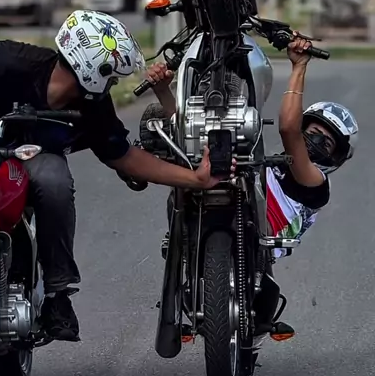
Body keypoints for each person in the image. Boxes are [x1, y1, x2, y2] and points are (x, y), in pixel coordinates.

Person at [0, 10, 233, 348]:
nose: (113, 85)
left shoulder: (92, 107)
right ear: (94, 70)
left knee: (54, 180)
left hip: (23, 161)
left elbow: (126, 157)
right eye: (112, 77)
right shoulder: (6, 61)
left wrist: (196, 179)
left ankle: (58, 295)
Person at [145, 33, 358, 325]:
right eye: (313, 132)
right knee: (196, 160)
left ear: (334, 157)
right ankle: (181, 240)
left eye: (327, 142)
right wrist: (162, 90)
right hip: (216, 219)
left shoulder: (316, 185)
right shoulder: (258, 164)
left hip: (257, 250)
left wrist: (299, 66)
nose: (316, 141)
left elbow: (288, 129)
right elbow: (188, 138)